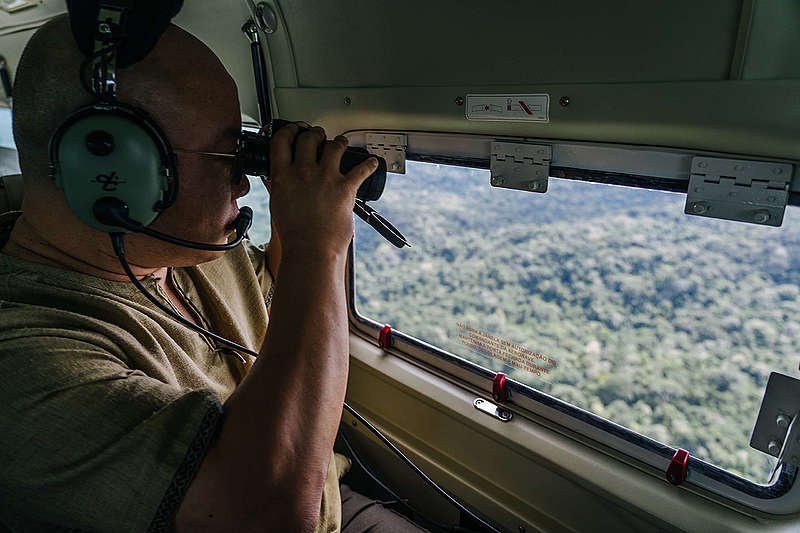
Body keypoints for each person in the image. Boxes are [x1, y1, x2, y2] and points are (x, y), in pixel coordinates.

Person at [0, 14, 428, 533]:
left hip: (330, 498)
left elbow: (272, 297)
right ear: (108, 171)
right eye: (227, 155)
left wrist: (304, 217)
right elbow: (268, 514)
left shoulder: (180, 250)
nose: (244, 184)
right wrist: (320, 245)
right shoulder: (25, 364)